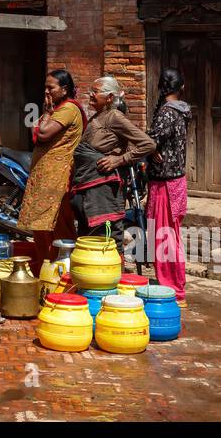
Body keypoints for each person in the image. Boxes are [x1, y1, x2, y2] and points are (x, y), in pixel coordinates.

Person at [71, 76, 154, 242]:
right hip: (89, 190)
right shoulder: (97, 117)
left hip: (104, 192)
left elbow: (148, 144)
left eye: (96, 92)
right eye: (91, 91)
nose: (91, 95)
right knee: (89, 240)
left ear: (109, 98)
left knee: (105, 239)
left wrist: (118, 160)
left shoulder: (114, 116)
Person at [19, 69, 87, 273]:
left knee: (57, 226)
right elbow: (35, 130)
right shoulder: (57, 109)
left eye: (51, 88)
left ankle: (60, 272)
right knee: (41, 227)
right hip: (45, 178)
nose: (47, 92)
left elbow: (43, 132)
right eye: (45, 88)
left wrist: (47, 113)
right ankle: (46, 270)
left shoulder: (68, 109)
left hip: (57, 179)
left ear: (64, 89)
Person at [147, 68, 192, 302]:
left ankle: (173, 286)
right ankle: (175, 284)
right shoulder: (182, 110)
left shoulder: (166, 112)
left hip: (165, 183)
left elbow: (151, 140)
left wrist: (151, 147)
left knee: (164, 237)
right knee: (171, 234)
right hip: (176, 181)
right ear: (181, 87)